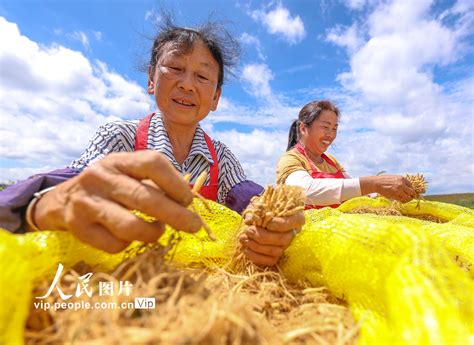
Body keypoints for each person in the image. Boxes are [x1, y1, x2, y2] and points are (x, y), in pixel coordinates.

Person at [0, 19, 304, 267]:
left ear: (215, 98)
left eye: (202, 76)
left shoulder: (220, 157)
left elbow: (251, 199)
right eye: (174, 69)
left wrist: (273, 226)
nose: (186, 83)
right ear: (150, 79)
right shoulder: (120, 137)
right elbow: (72, 183)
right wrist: (40, 206)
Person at [276, 100, 416, 208]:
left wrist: (388, 192)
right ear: (303, 128)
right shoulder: (290, 159)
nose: (330, 135)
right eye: (325, 127)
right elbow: (304, 192)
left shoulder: (331, 161)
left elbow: (355, 191)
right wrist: (375, 183)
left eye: (334, 128)